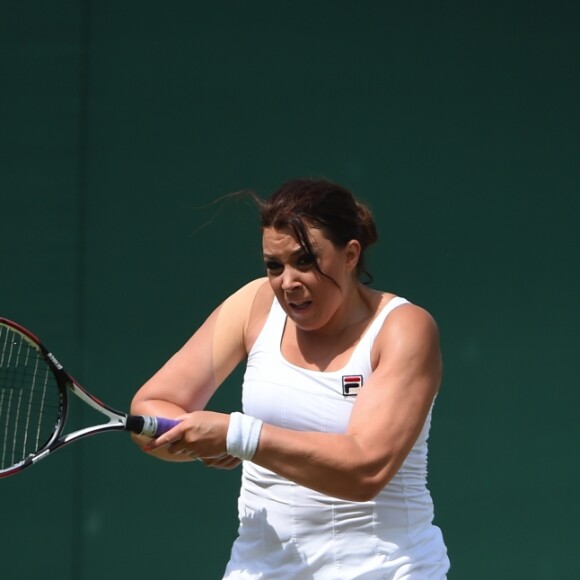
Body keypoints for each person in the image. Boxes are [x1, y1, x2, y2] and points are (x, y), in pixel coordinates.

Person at [131, 178, 450, 579]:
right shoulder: (253, 304)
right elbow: (150, 408)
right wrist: (192, 440)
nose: (287, 282)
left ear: (350, 255)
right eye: (274, 266)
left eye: (305, 262)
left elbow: (365, 470)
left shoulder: (403, 328)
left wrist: (237, 436)